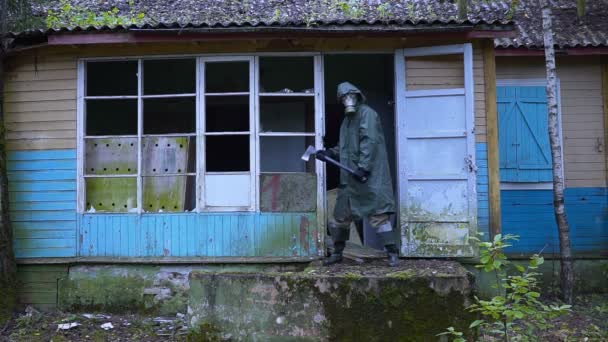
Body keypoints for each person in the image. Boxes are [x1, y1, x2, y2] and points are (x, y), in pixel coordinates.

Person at [316, 82, 399, 267]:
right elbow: (345, 148)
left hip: (367, 177)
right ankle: (337, 253)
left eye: (350, 95)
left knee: (378, 216)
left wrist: (364, 168)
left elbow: (369, 142)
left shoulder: (367, 114)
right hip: (350, 178)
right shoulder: (347, 121)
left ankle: (392, 253)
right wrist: (330, 153)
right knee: (340, 217)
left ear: (357, 95)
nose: (348, 100)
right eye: (344, 97)